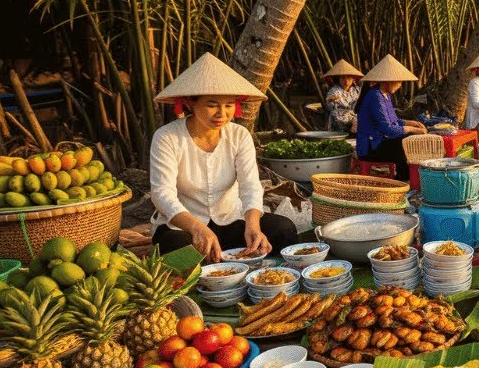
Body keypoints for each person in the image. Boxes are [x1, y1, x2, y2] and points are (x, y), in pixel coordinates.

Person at [148, 53, 298, 262]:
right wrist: (197, 229)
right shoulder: (167, 137)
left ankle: (235, 257)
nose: (222, 113)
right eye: (212, 104)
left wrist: (252, 227)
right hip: (185, 228)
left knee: (284, 229)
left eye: (228, 105)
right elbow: (162, 193)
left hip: (231, 220)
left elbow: (250, 186)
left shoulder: (239, 135)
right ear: (191, 103)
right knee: (176, 248)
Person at [355, 54, 427, 179]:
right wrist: (413, 129)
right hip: (370, 148)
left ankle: (407, 178)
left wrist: (410, 123)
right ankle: (402, 180)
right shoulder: (375, 96)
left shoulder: (386, 95)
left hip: (379, 143)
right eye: (398, 81)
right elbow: (388, 129)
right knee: (404, 144)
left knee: (408, 140)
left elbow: (393, 121)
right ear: (387, 81)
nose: (400, 85)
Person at [323, 59, 363, 133]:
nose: (346, 81)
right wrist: (332, 98)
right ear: (339, 79)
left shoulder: (357, 90)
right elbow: (328, 99)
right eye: (343, 78)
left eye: (348, 78)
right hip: (339, 117)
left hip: (355, 116)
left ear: (353, 79)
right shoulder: (335, 90)